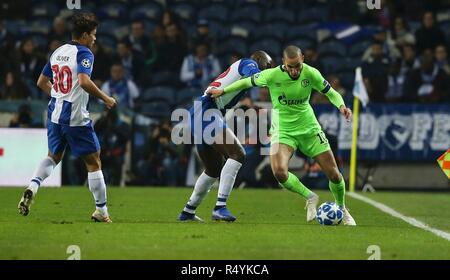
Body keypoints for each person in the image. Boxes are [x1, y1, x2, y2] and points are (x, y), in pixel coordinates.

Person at [208, 46, 356, 226]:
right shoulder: (271, 75)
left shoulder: (311, 73)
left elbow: (331, 92)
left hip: (309, 129)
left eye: (297, 66)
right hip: (283, 131)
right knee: (279, 173)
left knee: (334, 174)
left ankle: (342, 208)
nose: (294, 71)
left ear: (302, 59)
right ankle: (310, 197)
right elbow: (245, 82)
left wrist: (341, 106)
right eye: (290, 67)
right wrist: (222, 91)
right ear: (283, 63)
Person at [17, 13, 117, 223]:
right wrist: (106, 98)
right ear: (83, 36)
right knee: (94, 161)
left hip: (54, 114)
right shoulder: (85, 53)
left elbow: (42, 82)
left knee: (53, 156)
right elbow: (83, 81)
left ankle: (33, 186)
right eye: (93, 35)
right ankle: (101, 211)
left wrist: (59, 94)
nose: (95, 39)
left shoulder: (58, 51)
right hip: (75, 117)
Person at [177, 50, 273, 222]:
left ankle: (187, 212)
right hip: (207, 110)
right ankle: (220, 207)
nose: (269, 68)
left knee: (213, 169)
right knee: (238, 154)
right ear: (259, 60)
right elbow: (257, 77)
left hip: (203, 112)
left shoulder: (241, 75)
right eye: (268, 65)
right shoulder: (248, 63)